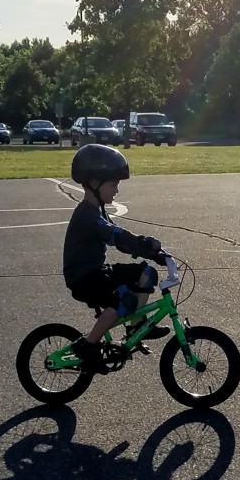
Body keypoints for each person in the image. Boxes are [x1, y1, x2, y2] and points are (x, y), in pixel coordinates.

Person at [63, 144, 169, 373]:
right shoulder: (87, 214)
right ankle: (88, 346)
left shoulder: (98, 210)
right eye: (113, 185)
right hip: (82, 277)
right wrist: (143, 246)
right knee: (124, 300)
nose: (117, 191)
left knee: (146, 273)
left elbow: (117, 234)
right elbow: (114, 236)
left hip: (96, 270)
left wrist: (145, 245)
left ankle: (136, 326)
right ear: (94, 184)